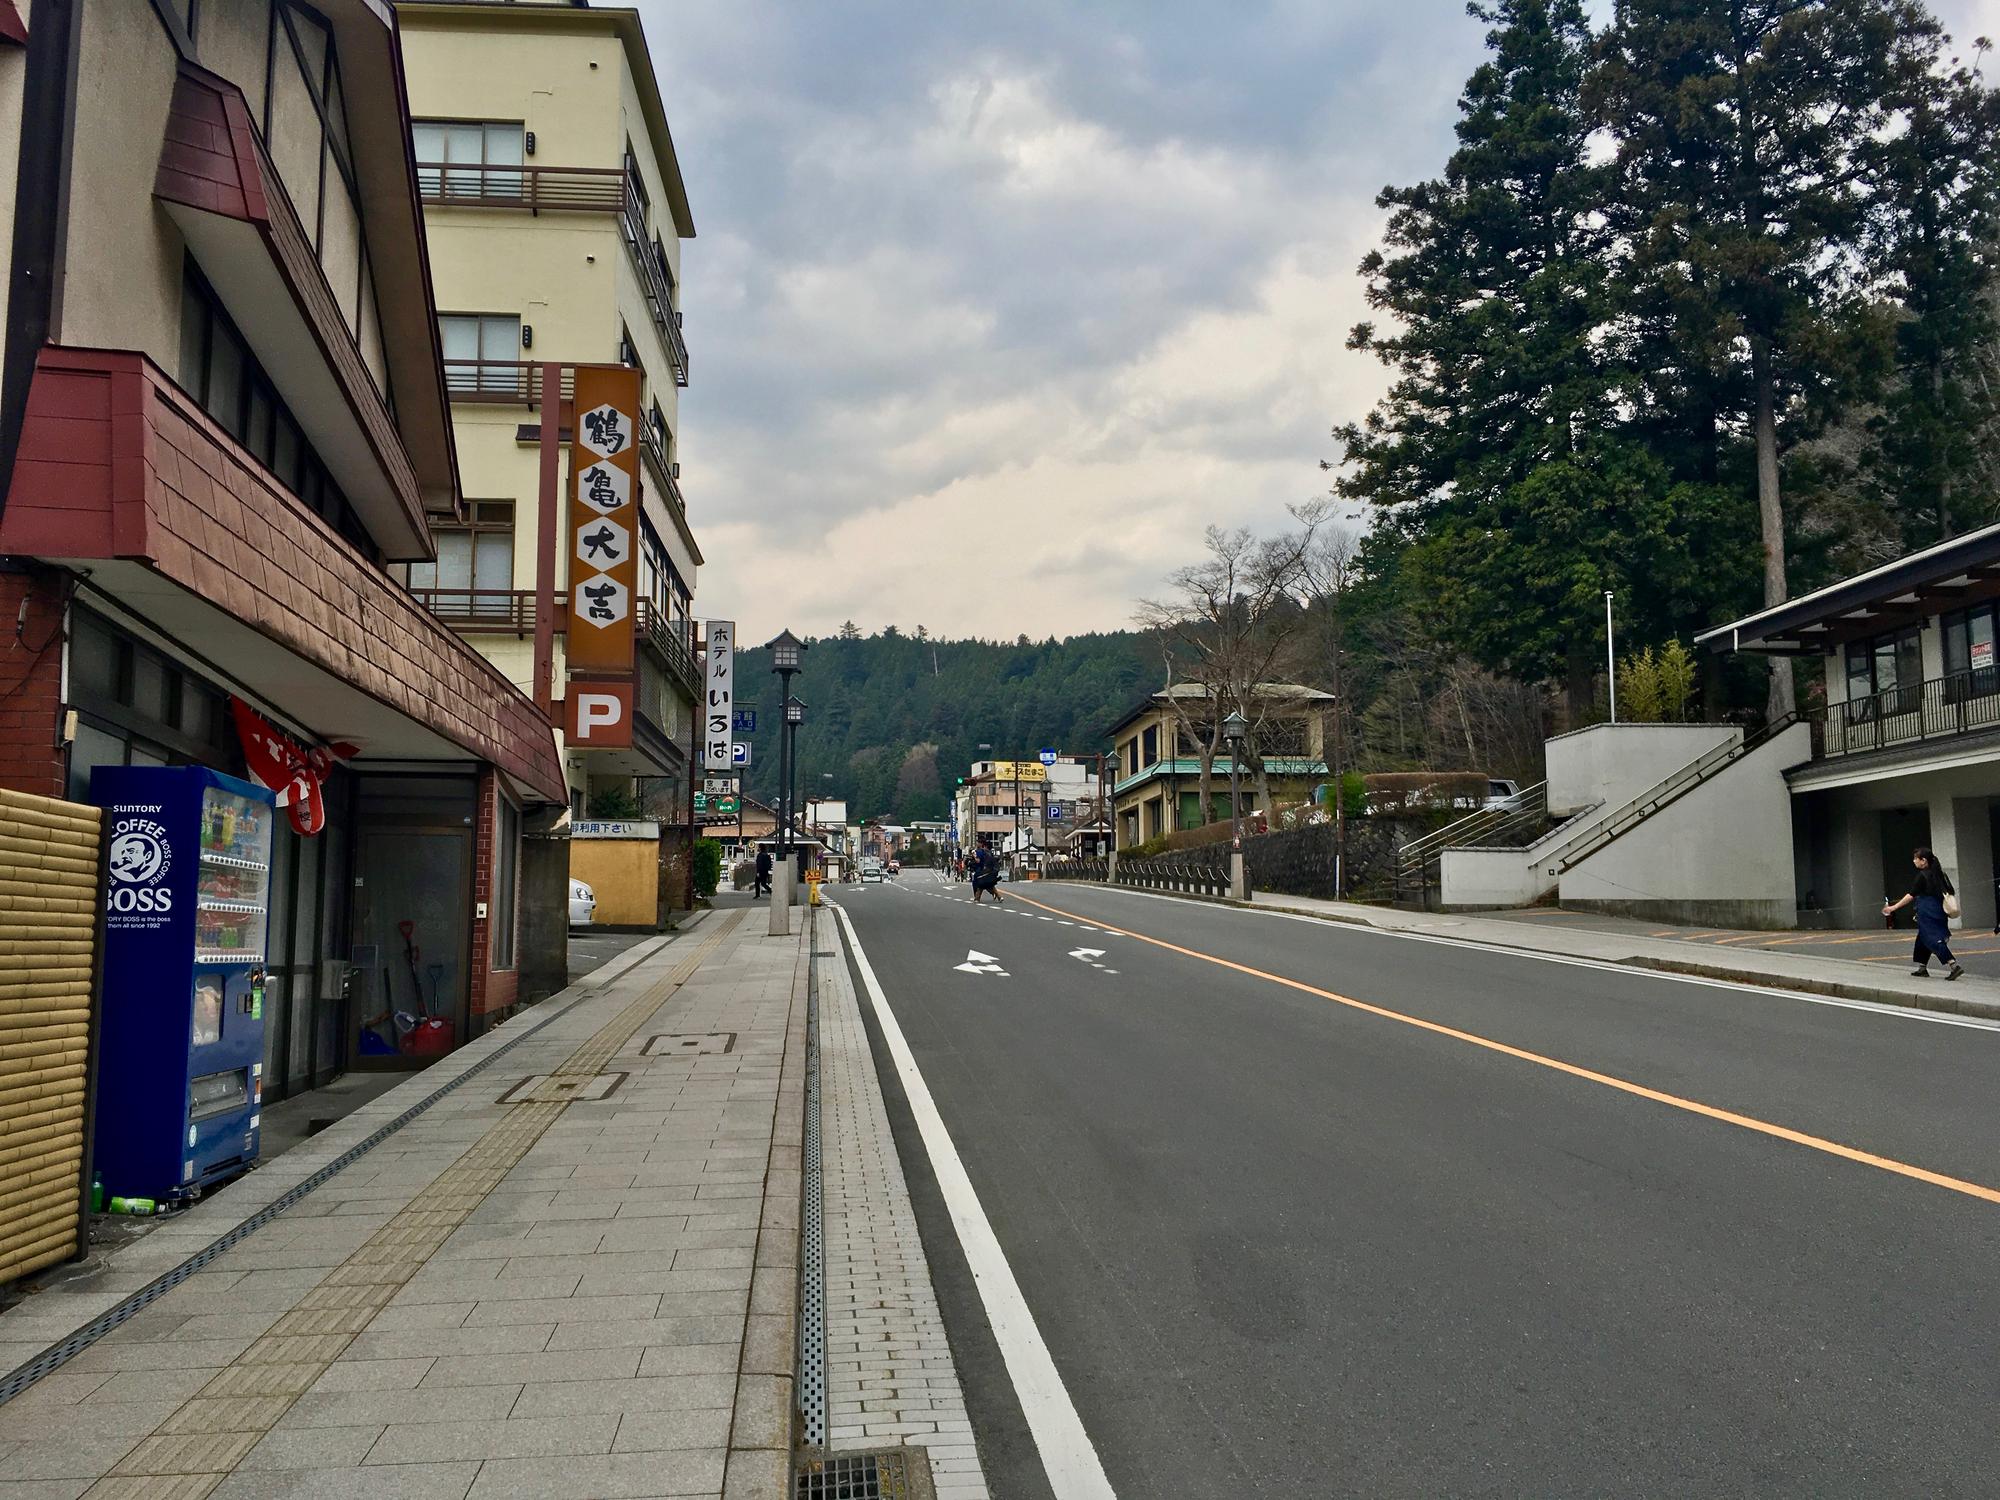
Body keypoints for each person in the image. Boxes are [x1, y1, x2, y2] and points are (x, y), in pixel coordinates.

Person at [1884, 847, 1962, 980]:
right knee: (1922, 939)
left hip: (1927, 911)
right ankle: (1922, 968)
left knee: (1933, 939)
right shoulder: (1940, 874)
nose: (1914, 861)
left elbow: (1911, 895)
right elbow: (1950, 890)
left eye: (1916, 858)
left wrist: (1893, 908)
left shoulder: (1923, 876)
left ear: (1923, 861)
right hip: (1939, 910)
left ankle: (1953, 965)